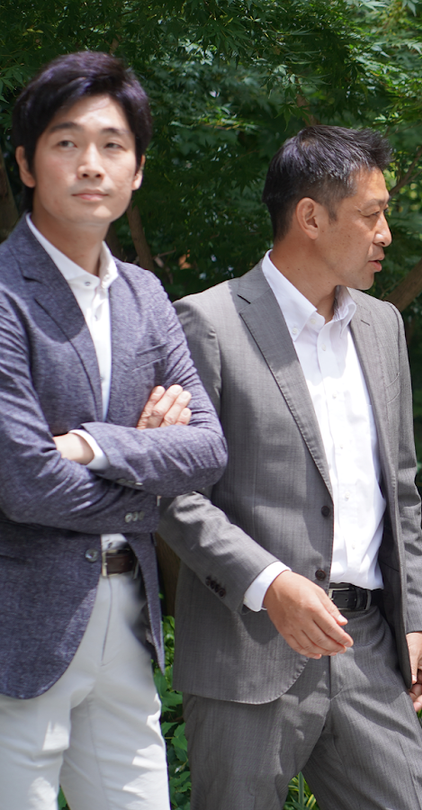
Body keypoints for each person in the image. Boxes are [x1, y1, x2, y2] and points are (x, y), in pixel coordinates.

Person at [157, 125, 422, 809]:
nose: (386, 234)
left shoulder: (382, 326)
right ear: (311, 217)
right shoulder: (208, 323)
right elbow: (175, 494)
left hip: (367, 645)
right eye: (372, 215)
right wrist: (271, 583)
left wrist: (415, 618)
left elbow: (400, 489)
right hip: (247, 648)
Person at [0, 51, 228, 808]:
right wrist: (149, 485)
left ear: (137, 170)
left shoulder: (145, 294)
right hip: (18, 629)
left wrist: (94, 444)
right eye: (66, 142)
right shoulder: (5, 294)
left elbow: (209, 448)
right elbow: (25, 483)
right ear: (26, 163)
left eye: (112, 145)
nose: (90, 163)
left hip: (128, 618)